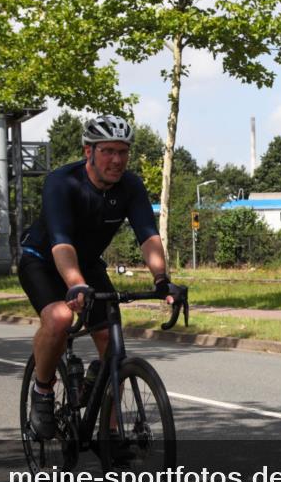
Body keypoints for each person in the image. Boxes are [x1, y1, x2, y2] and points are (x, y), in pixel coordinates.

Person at [18, 114, 177, 440]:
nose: (117, 160)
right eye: (108, 151)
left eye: (123, 151)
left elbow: (148, 235)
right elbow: (61, 241)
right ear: (88, 151)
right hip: (43, 260)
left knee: (111, 344)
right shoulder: (62, 182)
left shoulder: (130, 186)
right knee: (60, 318)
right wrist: (75, 284)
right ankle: (43, 390)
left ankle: (111, 430)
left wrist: (161, 278)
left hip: (88, 265)